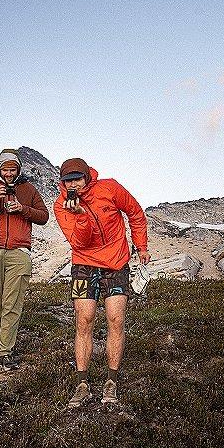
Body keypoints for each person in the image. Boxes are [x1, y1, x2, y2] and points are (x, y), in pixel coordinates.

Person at [51, 157, 148, 408]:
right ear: (62, 182)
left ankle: (111, 381)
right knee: (84, 320)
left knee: (116, 319)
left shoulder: (110, 188)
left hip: (116, 263)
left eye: (77, 179)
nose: (73, 184)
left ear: (87, 177)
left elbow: (135, 213)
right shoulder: (61, 206)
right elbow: (79, 243)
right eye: (67, 180)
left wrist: (141, 246)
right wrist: (81, 216)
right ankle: (82, 383)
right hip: (83, 264)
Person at [0, 149, 49, 371]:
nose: (9, 173)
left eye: (13, 169)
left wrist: (23, 209)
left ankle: (5, 351)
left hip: (19, 252)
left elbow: (43, 217)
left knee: (12, 304)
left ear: (18, 170)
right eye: (5, 169)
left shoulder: (29, 189)